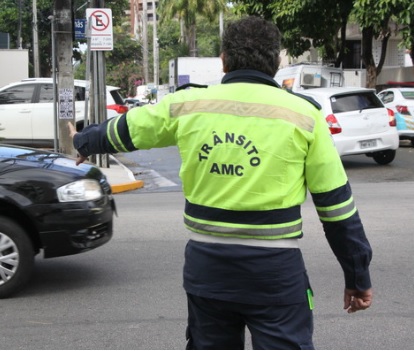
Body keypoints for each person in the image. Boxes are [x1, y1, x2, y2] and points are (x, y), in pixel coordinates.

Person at [69, 16, 373, 350]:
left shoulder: (187, 105)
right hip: (275, 274)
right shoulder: (304, 115)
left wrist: (84, 141)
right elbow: (338, 211)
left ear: (224, 60)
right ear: (274, 62)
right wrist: (357, 278)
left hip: (207, 269)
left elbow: (127, 129)